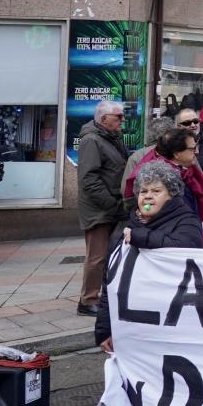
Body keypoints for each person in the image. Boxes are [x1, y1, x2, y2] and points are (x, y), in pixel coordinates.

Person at [97, 161, 203, 406]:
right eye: (143, 191)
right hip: (138, 330)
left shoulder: (186, 221)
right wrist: (105, 328)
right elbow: (111, 281)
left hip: (175, 329)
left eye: (156, 191)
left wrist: (141, 237)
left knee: (179, 396)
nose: (147, 196)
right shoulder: (128, 225)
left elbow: (185, 251)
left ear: (170, 195)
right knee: (139, 394)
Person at [75, 100, 129, 313]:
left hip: (111, 205)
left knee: (107, 255)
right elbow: (89, 179)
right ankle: (88, 300)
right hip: (99, 209)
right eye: (118, 117)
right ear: (104, 119)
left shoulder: (112, 137)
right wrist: (111, 204)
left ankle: (102, 296)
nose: (122, 120)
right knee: (96, 257)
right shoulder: (92, 140)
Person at [125, 126, 203, 226]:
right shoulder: (162, 179)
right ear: (177, 153)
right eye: (192, 149)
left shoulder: (186, 171)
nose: (197, 152)